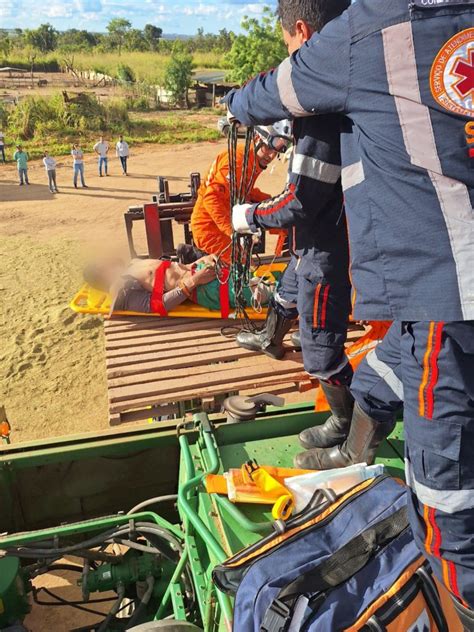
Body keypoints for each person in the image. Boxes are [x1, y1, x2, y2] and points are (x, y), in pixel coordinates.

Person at [225, 0, 474, 623]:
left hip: (444, 293)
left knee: (448, 497)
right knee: (380, 374)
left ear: (303, 35)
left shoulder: (364, 36)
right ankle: (352, 450)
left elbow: (293, 181)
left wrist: (248, 208)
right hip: (419, 305)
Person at [233, 0, 360, 462]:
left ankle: (351, 426)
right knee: (288, 291)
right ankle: (271, 335)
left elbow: (300, 200)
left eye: (288, 44)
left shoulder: (320, 111)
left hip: (327, 250)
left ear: (302, 32)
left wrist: (251, 216)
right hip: (321, 241)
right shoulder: (339, 91)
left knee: (321, 351)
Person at [190, 131, 280, 264]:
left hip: (220, 225)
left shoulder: (252, 159)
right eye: (269, 147)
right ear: (256, 139)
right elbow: (211, 198)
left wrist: (274, 202)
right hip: (209, 229)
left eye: (276, 151)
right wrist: (232, 232)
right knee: (242, 268)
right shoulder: (238, 160)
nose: (271, 155)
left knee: (245, 265)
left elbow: (243, 190)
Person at [83, 255, 271, 316]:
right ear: (101, 273)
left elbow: (173, 269)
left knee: (265, 279)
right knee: (268, 293)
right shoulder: (120, 287)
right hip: (206, 289)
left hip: (204, 273)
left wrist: (201, 261)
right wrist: (195, 280)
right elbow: (157, 306)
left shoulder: (132, 264)